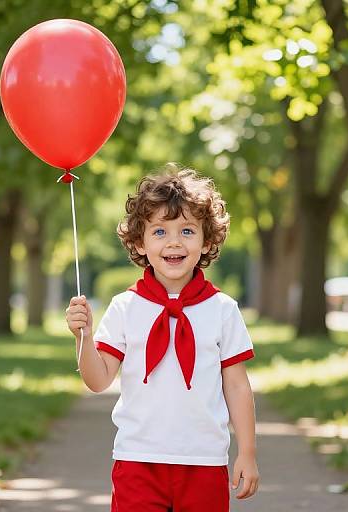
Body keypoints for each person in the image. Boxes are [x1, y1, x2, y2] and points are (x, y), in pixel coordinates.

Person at [65, 163, 259, 511]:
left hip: (204, 461)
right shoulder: (125, 307)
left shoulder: (222, 309)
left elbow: (237, 386)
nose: (173, 242)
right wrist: (83, 337)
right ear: (140, 241)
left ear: (207, 239)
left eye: (187, 231)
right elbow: (98, 379)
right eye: (159, 232)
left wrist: (247, 452)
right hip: (138, 459)